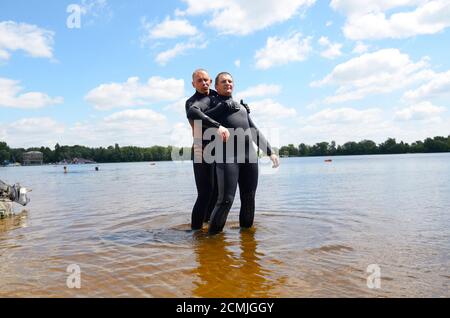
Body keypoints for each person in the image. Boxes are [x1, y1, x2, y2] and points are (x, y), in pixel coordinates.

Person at [187, 72, 279, 234]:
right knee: (224, 200)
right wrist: (218, 118)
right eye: (223, 81)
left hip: (249, 157)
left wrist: (270, 152)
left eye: (230, 81)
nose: (227, 83)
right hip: (226, 156)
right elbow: (195, 114)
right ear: (216, 86)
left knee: (249, 198)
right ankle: (210, 241)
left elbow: (253, 130)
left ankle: (247, 240)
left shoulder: (240, 106)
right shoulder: (210, 102)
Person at [185, 69, 230, 230]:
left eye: (206, 80)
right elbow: (195, 115)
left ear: (211, 81)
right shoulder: (192, 102)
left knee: (217, 193)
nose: (204, 83)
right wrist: (217, 125)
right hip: (201, 149)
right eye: (199, 81)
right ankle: (196, 231)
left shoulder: (216, 96)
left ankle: (208, 224)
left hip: (218, 150)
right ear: (193, 84)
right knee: (204, 194)